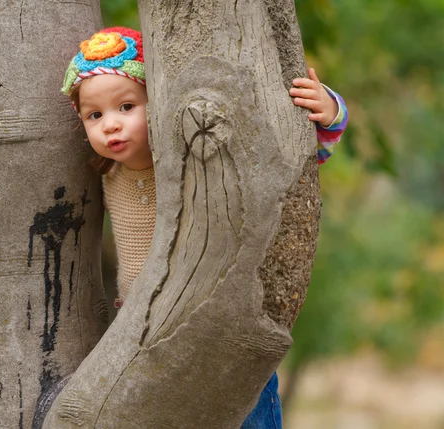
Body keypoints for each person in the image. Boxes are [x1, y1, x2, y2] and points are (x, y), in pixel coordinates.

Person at [61, 27, 348, 429]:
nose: (110, 125)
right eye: (95, 115)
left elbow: (295, 158)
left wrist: (330, 111)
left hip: (219, 327)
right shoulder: (109, 175)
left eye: (127, 107)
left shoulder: (194, 157)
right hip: (144, 340)